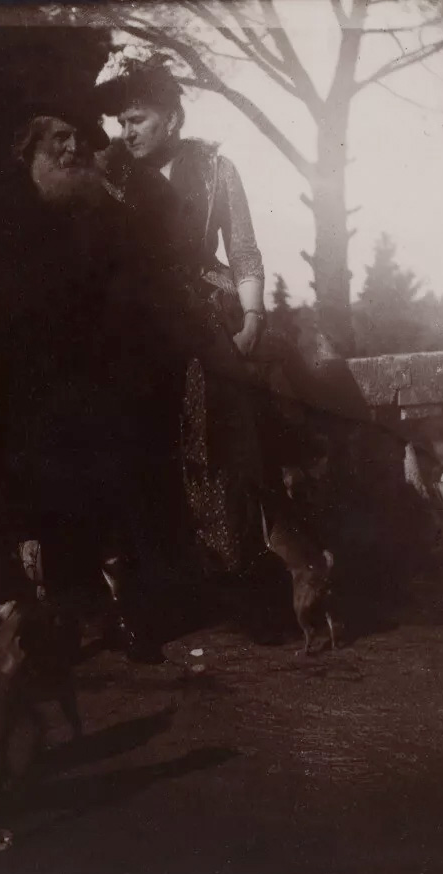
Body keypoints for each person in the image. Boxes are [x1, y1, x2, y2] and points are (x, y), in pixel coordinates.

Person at [0, 101, 170, 664]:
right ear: (29, 147)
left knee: (95, 504)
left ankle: (102, 618)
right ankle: (24, 633)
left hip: (86, 383)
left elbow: (130, 292)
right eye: (58, 138)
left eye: (77, 137)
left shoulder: (98, 204)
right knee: (13, 511)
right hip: (13, 388)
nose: (72, 147)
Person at [94, 54, 288, 587]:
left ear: (173, 119)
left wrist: (252, 315)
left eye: (138, 120)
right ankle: (156, 578)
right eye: (121, 122)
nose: (125, 131)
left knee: (218, 430)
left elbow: (244, 251)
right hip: (133, 320)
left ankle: (233, 571)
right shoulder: (107, 173)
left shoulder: (216, 171)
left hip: (206, 312)